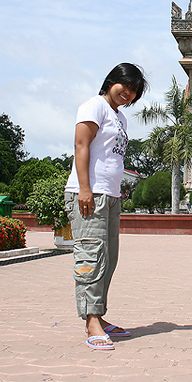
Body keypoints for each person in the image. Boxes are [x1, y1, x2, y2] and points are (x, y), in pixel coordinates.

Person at [64, 62, 147, 350]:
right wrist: (85, 188)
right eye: (125, 85)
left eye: (134, 90)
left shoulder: (119, 117)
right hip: (90, 193)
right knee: (91, 256)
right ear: (111, 81)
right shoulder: (94, 106)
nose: (128, 92)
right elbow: (81, 145)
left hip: (109, 196)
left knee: (108, 258)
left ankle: (98, 314)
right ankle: (91, 321)